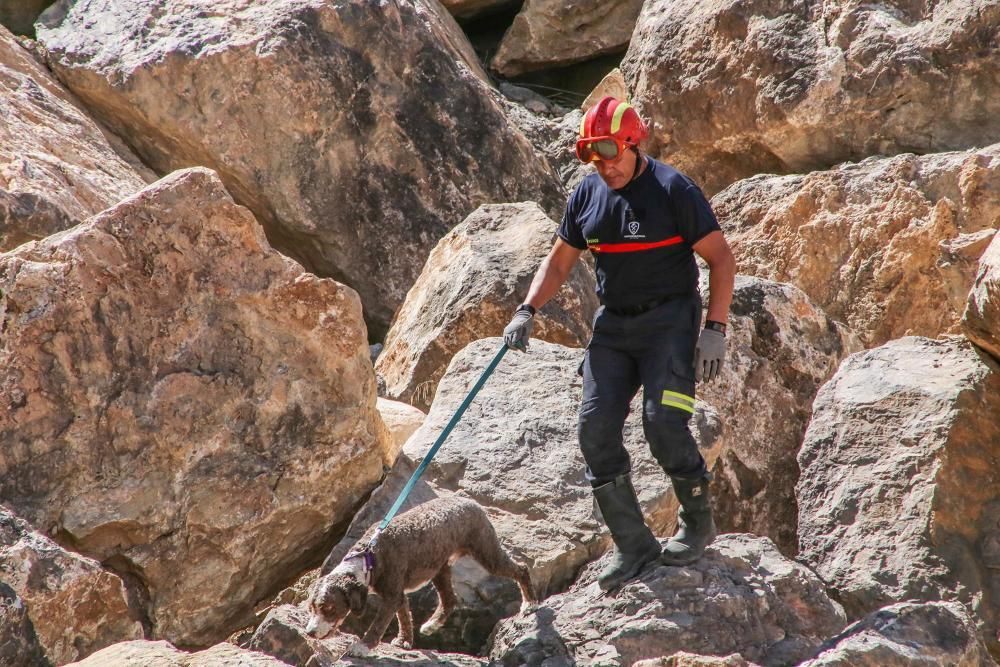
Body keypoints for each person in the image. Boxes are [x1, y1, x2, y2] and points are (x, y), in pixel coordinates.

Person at [503, 96, 735, 592]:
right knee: (594, 430)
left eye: (611, 154)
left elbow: (721, 259)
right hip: (613, 329)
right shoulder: (587, 195)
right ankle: (634, 545)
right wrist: (526, 310)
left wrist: (714, 329)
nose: (604, 165)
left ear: (634, 143)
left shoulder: (675, 190)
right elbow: (560, 262)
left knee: (663, 421)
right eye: (593, 156)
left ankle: (697, 522)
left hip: (670, 323)